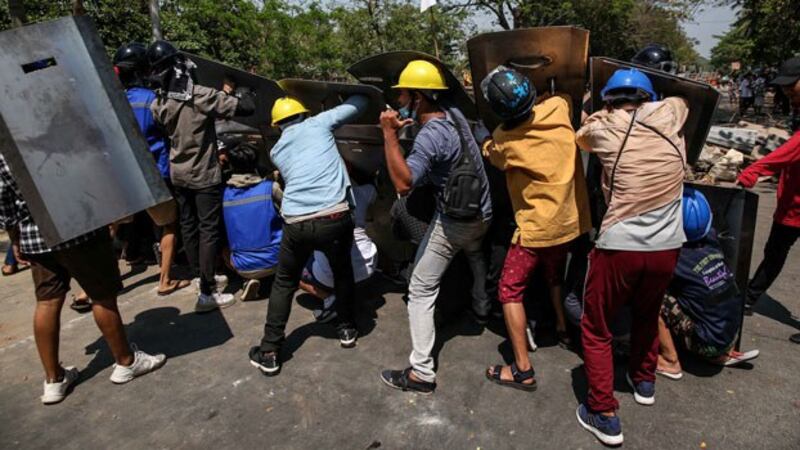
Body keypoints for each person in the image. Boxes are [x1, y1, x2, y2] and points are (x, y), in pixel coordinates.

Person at [574, 68, 688, 446]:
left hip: (620, 244)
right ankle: (644, 380)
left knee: (596, 326)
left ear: (610, 99)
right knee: (646, 312)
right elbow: (682, 101)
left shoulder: (604, 127)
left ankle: (603, 412)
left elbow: (582, 138)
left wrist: (595, 109)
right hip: (668, 246)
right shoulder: (671, 116)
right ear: (647, 96)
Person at [0, 154, 165, 405]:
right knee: (102, 296)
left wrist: (15, 238)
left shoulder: (3, 150)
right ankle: (126, 361)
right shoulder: (55, 133)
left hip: (35, 234)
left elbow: (5, 202)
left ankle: (53, 380)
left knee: (47, 302)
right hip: (79, 227)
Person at [378, 60, 493, 395]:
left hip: (455, 223)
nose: (398, 97)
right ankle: (482, 306)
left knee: (420, 288)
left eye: (403, 92)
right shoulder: (455, 115)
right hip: (483, 213)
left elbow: (403, 183)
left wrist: (388, 135)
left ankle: (421, 373)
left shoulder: (430, 136)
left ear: (419, 97)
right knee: (473, 251)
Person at [478, 67, 592, 391]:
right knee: (553, 274)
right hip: (569, 223)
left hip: (536, 231)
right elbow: (560, 96)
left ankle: (522, 370)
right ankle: (560, 327)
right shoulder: (558, 107)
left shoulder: (504, 140)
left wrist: (485, 137)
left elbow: (491, 153)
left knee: (508, 290)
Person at [248, 94, 368, 376]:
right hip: (335, 217)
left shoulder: (276, 151)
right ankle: (347, 328)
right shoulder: (319, 123)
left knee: (284, 282)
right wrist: (338, 96)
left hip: (297, 222)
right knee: (342, 271)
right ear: (304, 113)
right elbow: (360, 103)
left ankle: (269, 350)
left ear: (278, 125)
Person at [147, 40, 255, 312]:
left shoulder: (159, 103)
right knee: (209, 230)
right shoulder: (200, 95)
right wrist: (240, 90)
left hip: (178, 172)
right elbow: (246, 107)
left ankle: (199, 276)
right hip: (203, 173)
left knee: (189, 226)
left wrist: (224, 92)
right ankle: (207, 293)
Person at [657, 187, 759, 380]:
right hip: (730, 335)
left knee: (651, 295)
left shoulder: (676, 259)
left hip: (707, 343)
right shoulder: (711, 241)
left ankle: (669, 361)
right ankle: (721, 351)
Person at [113, 42, 189, 297]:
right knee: (169, 224)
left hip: (122, 178)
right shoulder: (153, 100)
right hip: (154, 175)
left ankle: (90, 290)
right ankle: (165, 279)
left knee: (112, 227)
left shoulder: (113, 103)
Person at [737, 56, 800, 344]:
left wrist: (754, 170)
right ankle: (749, 297)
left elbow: (792, 150)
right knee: (774, 250)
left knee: (776, 250)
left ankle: (749, 297)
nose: (787, 91)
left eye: (792, 85)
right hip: (792, 203)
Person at [300, 166, 378, 322]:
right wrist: (350, 167)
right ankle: (392, 272)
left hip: (330, 276)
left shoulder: (312, 200)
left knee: (292, 269)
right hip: (367, 267)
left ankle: (329, 298)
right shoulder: (360, 193)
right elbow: (372, 185)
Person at [221, 141, 283, 301]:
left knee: (223, 246)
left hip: (241, 265)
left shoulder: (225, 195)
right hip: (275, 259)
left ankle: (247, 280)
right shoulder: (271, 188)